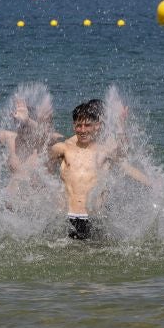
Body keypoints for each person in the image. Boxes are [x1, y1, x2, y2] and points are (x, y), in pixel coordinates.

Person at [48, 100, 149, 240]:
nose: (82, 130)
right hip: (68, 217)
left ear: (96, 126)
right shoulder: (63, 148)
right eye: (79, 125)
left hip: (93, 218)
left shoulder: (104, 151)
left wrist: (152, 183)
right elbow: (42, 166)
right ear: (73, 126)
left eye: (87, 125)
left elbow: (126, 165)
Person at [0, 90, 63, 173]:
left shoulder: (46, 142)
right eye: (16, 118)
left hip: (40, 192)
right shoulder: (10, 138)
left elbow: (50, 136)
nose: (18, 123)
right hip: (9, 192)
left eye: (21, 119)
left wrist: (27, 121)